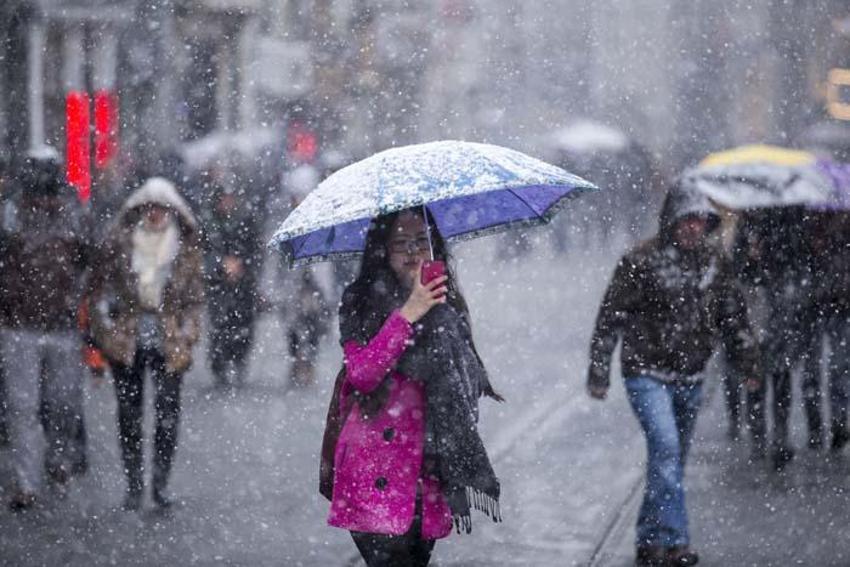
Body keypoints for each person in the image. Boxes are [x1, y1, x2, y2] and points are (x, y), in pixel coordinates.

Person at [587, 184, 761, 567]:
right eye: (687, 218)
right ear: (671, 220)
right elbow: (610, 317)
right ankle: (677, 542)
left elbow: (733, 314)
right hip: (646, 372)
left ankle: (649, 539)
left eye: (701, 220)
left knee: (671, 461)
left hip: (691, 375)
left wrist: (747, 362)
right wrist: (599, 371)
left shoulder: (714, 262)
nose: (693, 227)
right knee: (665, 449)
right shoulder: (640, 260)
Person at [322, 207, 502, 566]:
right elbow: (363, 374)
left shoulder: (446, 303)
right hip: (375, 469)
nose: (413, 252)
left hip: (427, 470)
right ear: (383, 252)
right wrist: (408, 313)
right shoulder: (360, 301)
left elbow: (464, 385)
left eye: (422, 241)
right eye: (401, 243)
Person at [87, 177, 204, 510]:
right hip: (128, 337)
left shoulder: (184, 247)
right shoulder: (120, 242)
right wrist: (106, 333)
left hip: (170, 340)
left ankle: (160, 485)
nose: (155, 214)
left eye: (161, 208)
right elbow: (98, 291)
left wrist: (188, 333)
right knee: (129, 415)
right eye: (150, 207)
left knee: (167, 414)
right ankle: (134, 484)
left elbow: (195, 298)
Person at [0, 151, 92, 509]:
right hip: (23, 324)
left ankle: (56, 463)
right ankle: (29, 482)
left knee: (60, 404)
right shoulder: (10, 214)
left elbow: (89, 261)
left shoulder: (72, 213)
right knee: (25, 407)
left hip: (57, 325)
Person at [202, 184, 263, 389]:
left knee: (243, 325)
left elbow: (256, 251)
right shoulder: (209, 223)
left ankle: (238, 361)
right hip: (218, 286)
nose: (227, 203)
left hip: (243, 286)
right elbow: (203, 250)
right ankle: (219, 366)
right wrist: (220, 264)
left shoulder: (247, 221)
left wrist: (241, 265)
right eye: (223, 199)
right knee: (219, 326)